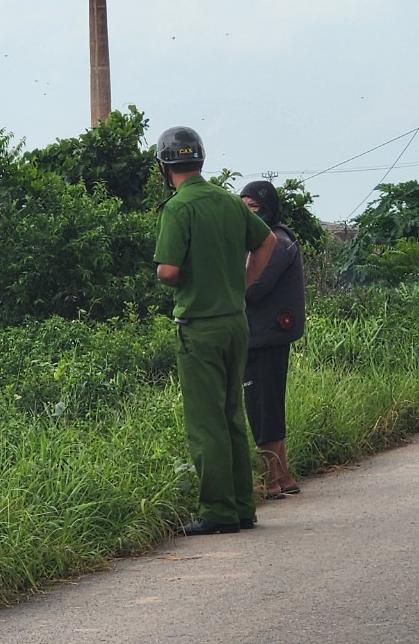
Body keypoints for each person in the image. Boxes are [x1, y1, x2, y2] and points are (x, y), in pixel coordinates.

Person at [153, 126, 276, 536]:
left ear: (166, 166)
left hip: (199, 327)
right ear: (199, 161)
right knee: (232, 415)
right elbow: (267, 241)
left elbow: (168, 271)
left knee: (206, 423)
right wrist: (243, 283)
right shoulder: (227, 200)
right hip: (236, 322)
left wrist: (169, 274)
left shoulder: (178, 208)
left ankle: (218, 512)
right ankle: (243, 507)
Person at [239, 180, 305, 498]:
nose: (248, 216)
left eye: (253, 209)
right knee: (270, 406)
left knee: (262, 407)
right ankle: (282, 477)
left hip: (263, 337)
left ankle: (271, 480)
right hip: (270, 335)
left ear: (267, 208)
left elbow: (255, 287)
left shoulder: (275, 242)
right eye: (243, 209)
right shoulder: (279, 238)